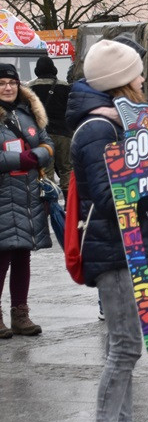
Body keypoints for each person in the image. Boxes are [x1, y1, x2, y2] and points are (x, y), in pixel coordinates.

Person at [68, 40, 148, 422]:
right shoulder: (98, 129)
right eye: (136, 73)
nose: (143, 79)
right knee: (126, 345)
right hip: (111, 247)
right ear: (120, 80)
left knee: (125, 346)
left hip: (126, 245)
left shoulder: (119, 122)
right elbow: (112, 197)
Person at [0, 63, 53, 339]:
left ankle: (20, 313)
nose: (8, 87)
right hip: (2, 195)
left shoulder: (28, 112)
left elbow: (48, 143)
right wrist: (20, 159)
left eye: (12, 82)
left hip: (28, 195)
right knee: (2, 255)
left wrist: (38, 155)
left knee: (23, 254)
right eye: (1, 83)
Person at [28, 56, 71, 194]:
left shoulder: (30, 88)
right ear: (54, 69)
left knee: (46, 170)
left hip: (42, 135)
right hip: (64, 134)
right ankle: (69, 201)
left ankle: (51, 199)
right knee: (67, 168)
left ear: (37, 70)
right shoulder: (66, 87)